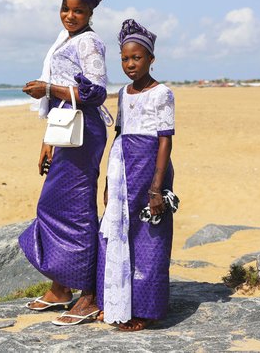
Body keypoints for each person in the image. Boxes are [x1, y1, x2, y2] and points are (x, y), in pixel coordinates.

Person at [19, 0, 121, 326]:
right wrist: (47, 140)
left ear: (91, 12)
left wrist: (47, 89)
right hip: (66, 129)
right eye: (66, 8)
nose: (70, 15)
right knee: (54, 203)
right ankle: (61, 287)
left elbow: (96, 92)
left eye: (78, 10)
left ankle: (89, 294)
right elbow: (64, 103)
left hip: (84, 131)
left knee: (75, 208)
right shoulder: (66, 40)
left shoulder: (90, 42)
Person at [96, 19, 175, 331]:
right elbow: (118, 135)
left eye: (137, 58)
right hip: (122, 169)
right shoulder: (122, 93)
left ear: (151, 59)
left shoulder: (162, 93)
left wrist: (157, 187)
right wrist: (107, 180)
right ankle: (114, 303)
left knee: (149, 237)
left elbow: (165, 140)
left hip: (149, 170)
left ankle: (143, 309)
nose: (130, 64)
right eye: (125, 59)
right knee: (115, 232)